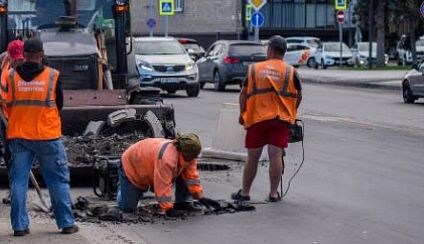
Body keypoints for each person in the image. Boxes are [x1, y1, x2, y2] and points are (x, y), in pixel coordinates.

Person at [0, 37, 78, 236]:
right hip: (47, 136)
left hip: (19, 136)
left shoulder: (10, 76)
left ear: (24, 55)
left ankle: (19, 226)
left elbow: (5, 103)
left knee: (18, 181)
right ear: (42, 55)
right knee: (57, 181)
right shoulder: (52, 76)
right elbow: (58, 104)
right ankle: (66, 223)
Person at [232, 35, 302, 204]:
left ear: (270, 49)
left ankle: (245, 193)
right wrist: (290, 113)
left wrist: (243, 114)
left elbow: (244, 94)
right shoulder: (291, 71)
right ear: (284, 52)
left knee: (253, 157)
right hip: (280, 119)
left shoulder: (255, 69)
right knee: (276, 155)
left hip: (257, 119)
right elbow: (298, 96)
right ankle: (273, 193)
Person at [118, 133, 221, 216]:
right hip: (132, 164)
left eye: (195, 156)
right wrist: (168, 209)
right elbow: (162, 184)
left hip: (150, 162)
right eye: (192, 156)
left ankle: (183, 202)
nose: (194, 158)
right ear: (183, 152)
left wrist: (200, 197)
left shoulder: (190, 155)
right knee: (128, 208)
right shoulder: (167, 159)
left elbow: (191, 178)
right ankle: (122, 189)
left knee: (184, 172)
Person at [0, 39, 25, 204]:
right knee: (9, 154)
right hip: (6, 117)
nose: (18, 61)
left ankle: (20, 189)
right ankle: (13, 189)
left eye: (20, 58)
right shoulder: (4, 58)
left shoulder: (31, 68)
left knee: (22, 154)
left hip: (24, 118)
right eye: (15, 58)